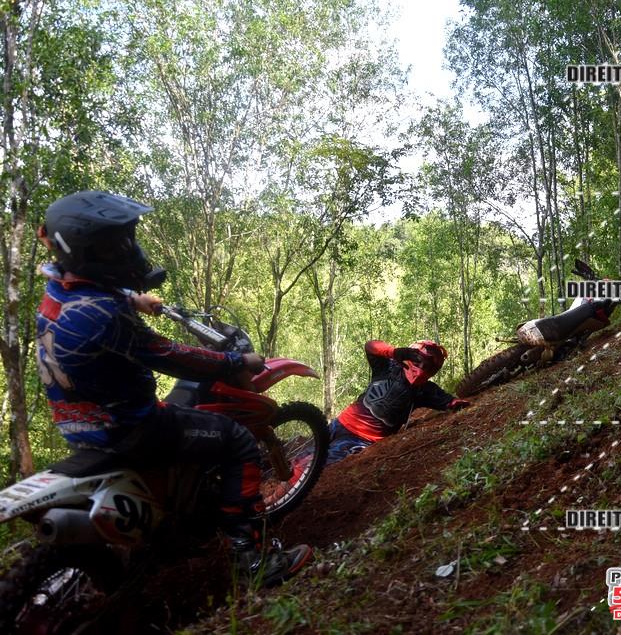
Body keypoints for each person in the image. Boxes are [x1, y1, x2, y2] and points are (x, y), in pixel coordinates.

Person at [34, 190, 310, 588]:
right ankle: (252, 561)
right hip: (129, 427)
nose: (127, 250)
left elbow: (93, 293)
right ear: (83, 250)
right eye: (113, 245)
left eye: (126, 239)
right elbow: (170, 356)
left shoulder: (59, 289)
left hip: (79, 423)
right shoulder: (104, 315)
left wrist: (135, 298)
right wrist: (236, 361)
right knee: (236, 441)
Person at [324, 339, 470, 464]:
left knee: (318, 466)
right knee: (310, 456)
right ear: (410, 355)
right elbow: (370, 346)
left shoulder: (426, 390)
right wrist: (393, 352)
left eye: (428, 367)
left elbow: (449, 401)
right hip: (340, 423)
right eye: (419, 361)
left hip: (361, 440)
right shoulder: (387, 367)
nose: (421, 368)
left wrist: (457, 403)